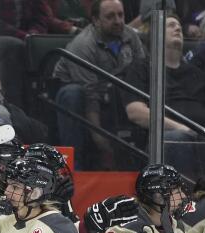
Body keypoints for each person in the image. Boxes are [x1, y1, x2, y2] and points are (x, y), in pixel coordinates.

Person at [53, 0, 146, 169]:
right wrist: (98, 136)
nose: (118, 21)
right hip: (78, 99)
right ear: (95, 20)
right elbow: (91, 94)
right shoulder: (83, 45)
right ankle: (73, 169)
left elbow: (142, 70)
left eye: (121, 15)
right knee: (73, 93)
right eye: (110, 16)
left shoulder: (130, 36)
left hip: (114, 95)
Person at [122, 14, 205, 172]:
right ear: (155, 35)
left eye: (179, 26)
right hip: (163, 141)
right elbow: (135, 112)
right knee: (176, 140)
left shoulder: (197, 73)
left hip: (202, 140)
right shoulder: (142, 68)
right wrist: (181, 128)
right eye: (171, 25)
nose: (178, 28)